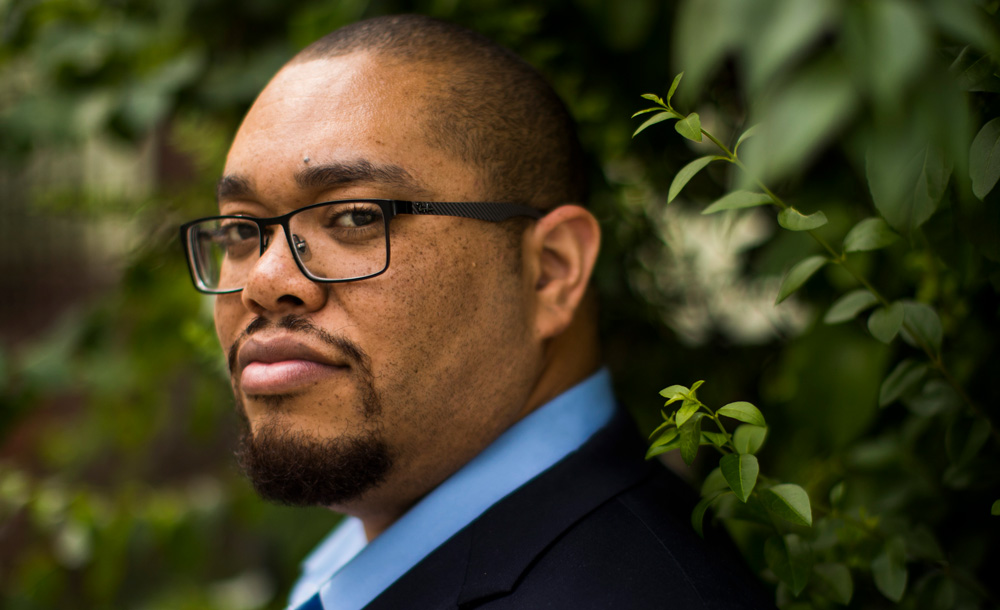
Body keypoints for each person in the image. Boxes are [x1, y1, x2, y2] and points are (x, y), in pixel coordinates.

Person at [180, 14, 769, 610]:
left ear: (551, 271)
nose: (263, 280)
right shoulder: (375, 554)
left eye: (356, 216)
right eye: (239, 228)